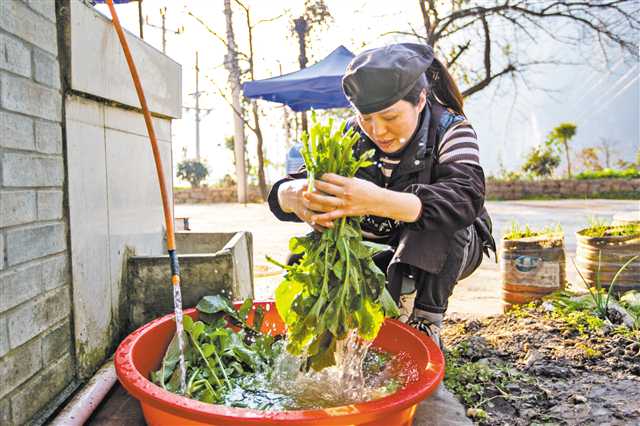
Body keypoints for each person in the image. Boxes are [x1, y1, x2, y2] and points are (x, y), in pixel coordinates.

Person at [268, 43, 495, 348]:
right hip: (376, 247)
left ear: (420, 100)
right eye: (366, 118)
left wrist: (374, 200)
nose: (378, 130)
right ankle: (324, 329)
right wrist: (292, 195)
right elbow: (289, 187)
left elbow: (464, 199)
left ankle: (424, 325)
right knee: (311, 249)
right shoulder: (349, 134)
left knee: (442, 222)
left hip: (447, 251)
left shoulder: (450, 128)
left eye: (390, 117)